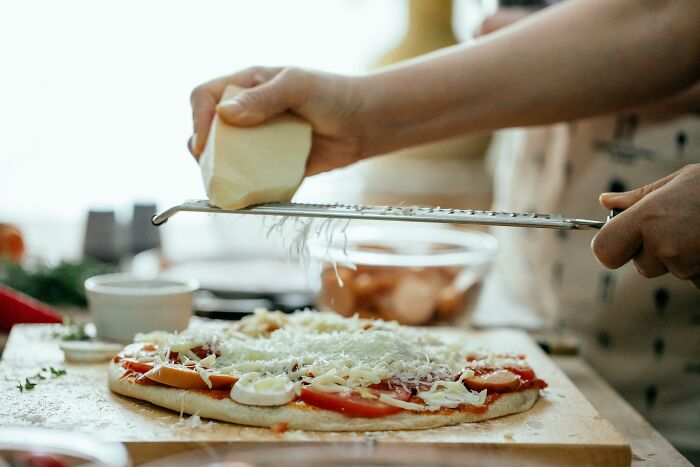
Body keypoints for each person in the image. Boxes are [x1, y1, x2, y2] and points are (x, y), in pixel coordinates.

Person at [187, 0, 700, 459]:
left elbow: (672, 15)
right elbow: (656, 16)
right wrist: (360, 116)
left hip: (674, 380)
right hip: (537, 312)